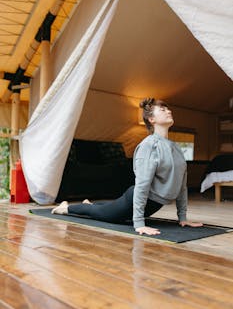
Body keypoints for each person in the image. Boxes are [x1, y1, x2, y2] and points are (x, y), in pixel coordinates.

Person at [52, 98, 203, 235]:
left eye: (168, 109)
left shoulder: (176, 148)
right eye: (163, 110)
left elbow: (181, 186)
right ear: (151, 119)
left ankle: (90, 204)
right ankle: (65, 208)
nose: (169, 111)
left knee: (106, 208)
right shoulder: (149, 146)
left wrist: (182, 218)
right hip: (136, 200)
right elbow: (142, 186)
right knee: (99, 213)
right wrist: (138, 224)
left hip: (151, 205)